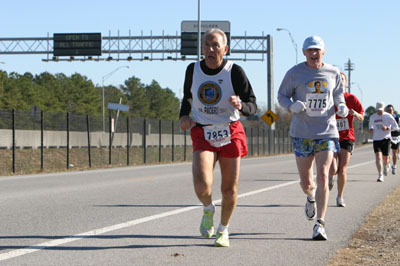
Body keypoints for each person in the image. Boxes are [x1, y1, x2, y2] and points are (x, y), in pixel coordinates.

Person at [179, 28, 257, 247]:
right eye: (206, 45)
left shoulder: (235, 71)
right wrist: (184, 116)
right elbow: (187, 97)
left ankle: (223, 229)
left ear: (225, 49)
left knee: (229, 189)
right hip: (203, 131)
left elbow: (252, 104)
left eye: (215, 45)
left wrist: (241, 105)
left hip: (230, 131)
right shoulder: (193, 69)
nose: (210, 50)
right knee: (202, 185)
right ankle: (207, 208)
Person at [278, 36, 348, 241]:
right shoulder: (294, 73)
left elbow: (338, 95)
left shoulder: (333, 72)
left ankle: (320, 224)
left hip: (327, 130)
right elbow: (281, 95)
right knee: (307, 182)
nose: (313, 53)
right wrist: (291, 106)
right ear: (304, 53)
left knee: (323, 175)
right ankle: (310, 197)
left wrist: (341, 106)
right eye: (310, 50)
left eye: (317, 50)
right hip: (301, 132)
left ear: (323, 51)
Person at [328, 72, 364, 207]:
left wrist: (354, 113)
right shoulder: (329, 98)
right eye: (338, 79)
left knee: (342, 169)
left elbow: (362, 116)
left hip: (347, 137)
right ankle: (331, 177)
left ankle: (339, 197)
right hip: (331, 136)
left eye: (342, 79)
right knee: (332, 167)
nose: (340, 82)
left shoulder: (351, 98)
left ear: (346, 83)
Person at [369, 101, 400, 182]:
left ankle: (386, 164)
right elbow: (370, 126)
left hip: (386, 139)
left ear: (383, 109)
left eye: (381, 110)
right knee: (378, 156)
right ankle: (380, 175)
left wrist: (387, 128)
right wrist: (371, 129)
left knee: (385, 158)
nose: (379, 112)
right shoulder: (373, 117)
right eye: (378, 110)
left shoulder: (388, 116)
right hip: (376, 139)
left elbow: (396, 128)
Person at [384, 104, 400, 174]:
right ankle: (387, 165)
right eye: (388, 110)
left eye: (391, 110)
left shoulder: (397, 118)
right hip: (387, 137)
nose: (390, 111)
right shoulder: (383, 118)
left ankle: (394, 166)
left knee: (394, 152)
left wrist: (392, 129)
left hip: (396, 137)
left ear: (393, 111)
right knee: (386, 153)